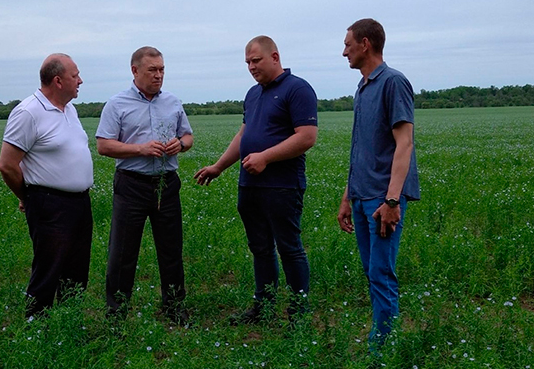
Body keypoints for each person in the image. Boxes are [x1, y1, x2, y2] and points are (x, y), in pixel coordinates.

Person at [195, 36, 318, 324]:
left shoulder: (297, 89)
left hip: (283, 185)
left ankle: (299, 314)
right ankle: (263, 309)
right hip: (250, 185)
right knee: (260, 248)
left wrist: (265, 157)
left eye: (256, 60)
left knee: (289, 248)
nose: (251, 67)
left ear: (275, 57)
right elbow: (243, 135)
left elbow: (306, 137)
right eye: (248, 62)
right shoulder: (253, 94)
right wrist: (219, 166)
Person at [336, 18, 420, 351]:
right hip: (362, 196)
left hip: (382, 202)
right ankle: (381, 339)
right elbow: (362, 148)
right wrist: (347, 197)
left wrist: (393, 201)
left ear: (366, 43)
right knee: (372, 274)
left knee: (381, 274)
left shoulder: (393, 82)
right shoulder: (363, 86)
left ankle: (382, 352)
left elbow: (405, 144)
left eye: (347, 44)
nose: (344, 52)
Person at [96, 46, 194, 324]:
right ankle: (117, 315)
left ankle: (175, 309)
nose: (159, 75)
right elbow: (103, 145)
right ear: (135, 70)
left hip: (167, 183)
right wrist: (139, 149)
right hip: (131, 185)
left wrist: (181, 144)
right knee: (123, 252)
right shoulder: (116, 104)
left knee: (171, 250)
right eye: (153, 69)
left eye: (162, 69)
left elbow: (188, 136)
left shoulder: (173, 102)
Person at [0, 53, 93, 319]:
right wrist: (27, 196)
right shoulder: (28, 112)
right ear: (58, 81)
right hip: (49, 203)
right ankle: (35, 327)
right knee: (49, 268)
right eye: (75, 76)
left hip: (79, 203)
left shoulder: (69, 109)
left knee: (76, 269)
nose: (80, 80)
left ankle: (68, 324)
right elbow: (7, 165)